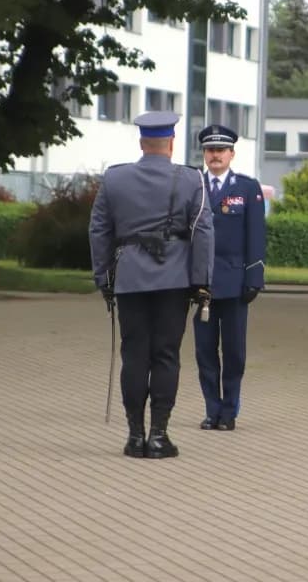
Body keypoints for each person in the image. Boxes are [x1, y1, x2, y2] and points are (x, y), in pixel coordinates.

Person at [89, 111, 213, 458]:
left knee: (133, 356)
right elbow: (202, 231)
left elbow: (98, 231)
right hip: (174, 280)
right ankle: (159, 435)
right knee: (165, 356)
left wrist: (104, 277)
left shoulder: (115, 179)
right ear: (171, 143)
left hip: (129, 279)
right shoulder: (191, 180)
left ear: (142, 143)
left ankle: (134, 436)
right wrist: (201, 282)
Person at [193, 124, 266, 431]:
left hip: (235, 284)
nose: (215, 156)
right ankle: (212, 410)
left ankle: (229, 410)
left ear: (232, 154)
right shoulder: (193, 185)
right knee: (205, 352)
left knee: (234, 352)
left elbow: (256, 236)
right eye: (210, 150)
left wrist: (254, 278)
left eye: (221, 150)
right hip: (201, 284)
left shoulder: (247, 188)